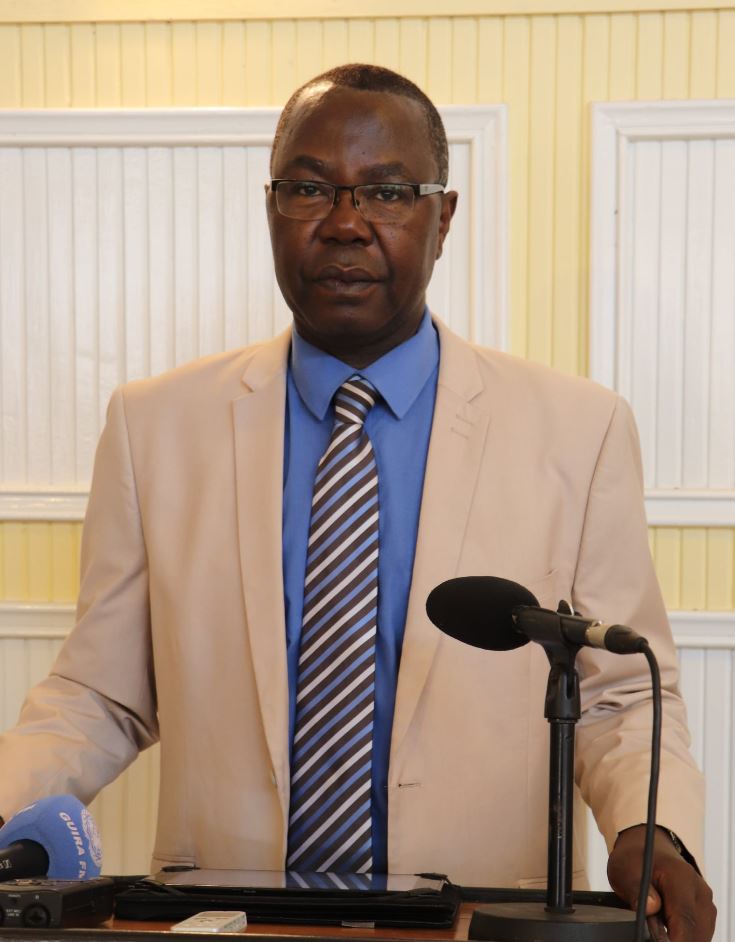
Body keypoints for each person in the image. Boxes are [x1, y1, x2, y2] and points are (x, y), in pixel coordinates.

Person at [0, 64, 715, 938]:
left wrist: (652, 832)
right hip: (227, 917)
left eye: (387, 192)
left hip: (479, 917)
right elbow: (99, 693)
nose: (344, 222)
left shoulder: (579, 429)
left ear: (442, 219)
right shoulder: (153, 426)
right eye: (309, 189)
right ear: (271, 208)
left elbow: (618, 696)